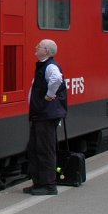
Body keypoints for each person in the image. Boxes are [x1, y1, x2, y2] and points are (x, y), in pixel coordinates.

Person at [25, 39, 67, 196]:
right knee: (35, 148)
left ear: (47, 51)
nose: (36, 47)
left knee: (45, 150)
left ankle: (49, 185)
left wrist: (49, 95)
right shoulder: (43, 66)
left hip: (45, 115)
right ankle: (38, 183)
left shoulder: (50, 66)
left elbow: (57, 79)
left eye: (40, 46)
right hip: (40, 114)